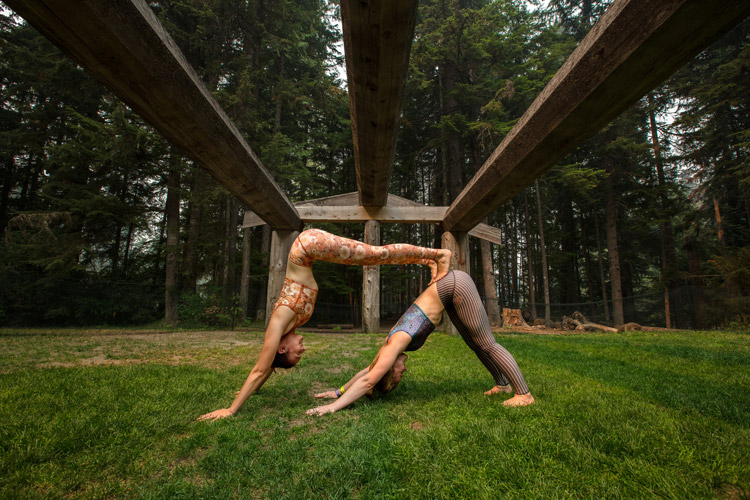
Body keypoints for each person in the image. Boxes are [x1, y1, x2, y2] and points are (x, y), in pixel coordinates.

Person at [197, 229, 452, 421]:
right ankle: (426, 259)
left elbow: (260, 370)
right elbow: (268, 369)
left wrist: (231, 409)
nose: (303, 350)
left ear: (282, 348)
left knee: (374, 255)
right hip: (310, 252)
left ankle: (438, 255)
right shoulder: (289, 327)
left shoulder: (278, 323)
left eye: (296, 354)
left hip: (307, 247)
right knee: (374, 255)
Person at [306, 270, 534, 416]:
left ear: (388, 370)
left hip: (455, 285)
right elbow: (367, 372)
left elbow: (367, 381)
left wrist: (332, 408)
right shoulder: (388, 350)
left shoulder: (396, 343)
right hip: (450, 292)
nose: (403, 371)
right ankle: (502, 384)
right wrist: (338, 391)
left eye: (397, 376)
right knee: (476, 344)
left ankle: (524, 394)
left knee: (486, 343)